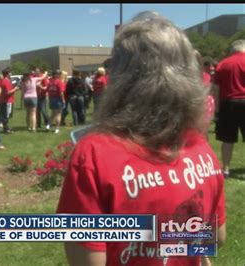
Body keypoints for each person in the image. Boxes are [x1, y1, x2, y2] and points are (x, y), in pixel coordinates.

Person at [57, 12, 225, 266]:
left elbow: (89, 261)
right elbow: (217, 237)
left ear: (122, 75)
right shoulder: (201, 148)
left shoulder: (93, 154)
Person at [214, 39, 245, 177]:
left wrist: (217, 109)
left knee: (227, 140)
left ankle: (226, 169)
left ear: (232, 50)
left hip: (228, 103)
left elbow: (215, 89)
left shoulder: (222, 64)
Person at [0, 67, 19, 133]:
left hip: (2, 101)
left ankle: (6, 128)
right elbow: (8, 92)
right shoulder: (6, 81)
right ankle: (6, 129)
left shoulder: (2, 81)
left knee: (4, 115)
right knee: (6, 116)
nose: (11, 74)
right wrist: (15, 89)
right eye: (10, 73)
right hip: (6, 101)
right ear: (7, 74)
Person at [47, 70, 66, 134]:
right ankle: (57, 128)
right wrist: (63, 100)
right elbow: (61, 92)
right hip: (58, 99)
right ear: (57, 75)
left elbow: (48, 91)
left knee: (53, 113)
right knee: (58, 114)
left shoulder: (50, 82)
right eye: (59, 74)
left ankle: (48, 125)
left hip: (51, 98)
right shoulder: (59, 82)